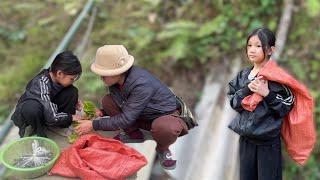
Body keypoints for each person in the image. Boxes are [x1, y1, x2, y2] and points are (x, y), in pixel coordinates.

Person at [75, 45, 192, 170]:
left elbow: (126, 118)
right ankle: (134, 134)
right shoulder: (117, 81)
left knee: (165, 128)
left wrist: (93, 125)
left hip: (163, 116)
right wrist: (101, 112)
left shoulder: (141, 84)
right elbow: (127, 104)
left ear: (118, 71)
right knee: (107, 100)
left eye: (104, 74)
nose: (101, 78)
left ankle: (163, 149)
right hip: (141, 113)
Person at [227, 27, 294, 180]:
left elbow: (286, 107)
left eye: (258, 46)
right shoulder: (243, 76)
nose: (252, 50)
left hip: (268, 143)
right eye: (249, 45)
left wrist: (267, 94)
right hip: (246, 140)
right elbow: (233, 102)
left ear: (270, 50)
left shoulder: (277, 78)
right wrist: (246, 90)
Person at [11, 51, 83, 137]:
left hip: (47, 109)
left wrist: (73, 102)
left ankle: (62, 126)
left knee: (72, 91)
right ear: (59, 73)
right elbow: (50, 116)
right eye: (72, 79)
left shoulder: (56, 78)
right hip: (30, 117)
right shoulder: (41, 83)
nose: (73, 81)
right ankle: (37, 133)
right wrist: (70, 117)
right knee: (32, 108)